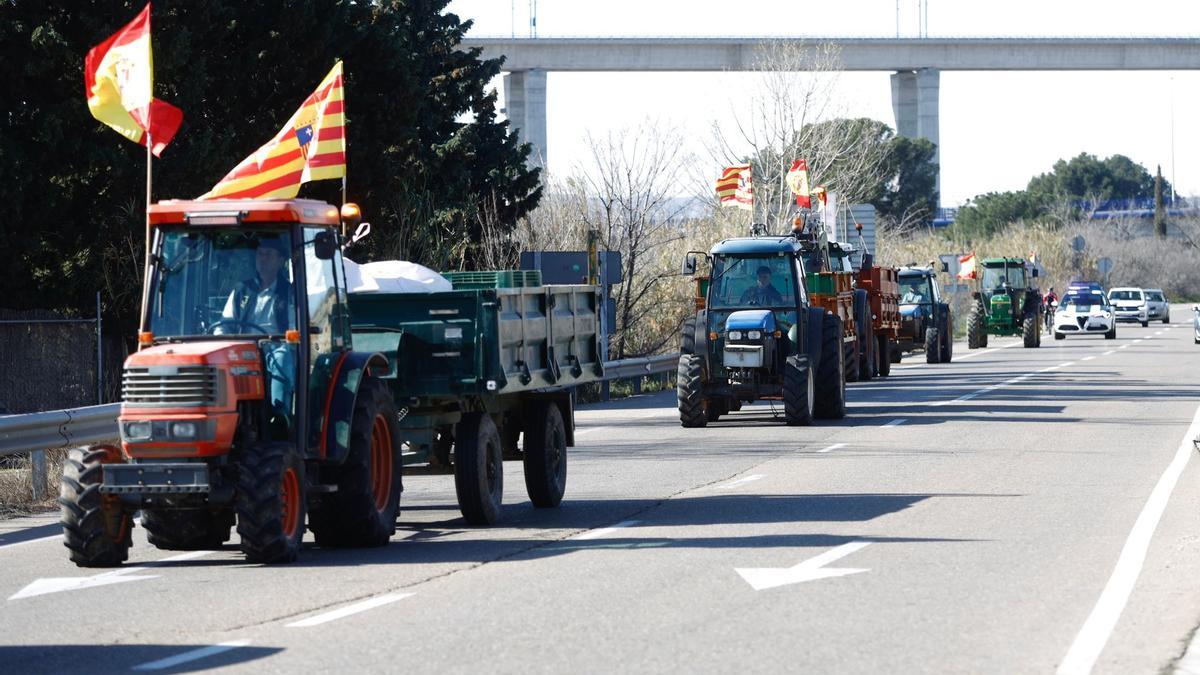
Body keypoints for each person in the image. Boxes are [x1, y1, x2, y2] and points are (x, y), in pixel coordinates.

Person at [218, 236, 296, 425]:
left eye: (268, 255)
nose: (262, 259)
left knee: (282, 357)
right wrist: (219, 340)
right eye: (260, 254)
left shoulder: (289, 291)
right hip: (245, 349)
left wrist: (287, 340)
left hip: (275, 347)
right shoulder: (241, 290)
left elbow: (294, 326)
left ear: (280, 261)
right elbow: (225, 323)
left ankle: (279, 416)